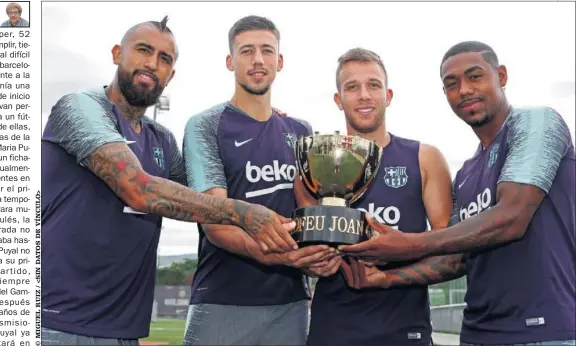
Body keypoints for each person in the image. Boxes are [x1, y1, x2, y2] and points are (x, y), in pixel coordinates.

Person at [41, 17, 297, 346]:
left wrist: (262, 126)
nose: (152, 63)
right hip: (53, 322)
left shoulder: (162, 140)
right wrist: (243, 213)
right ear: (118, 53)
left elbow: (206, 193)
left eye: (165, 59)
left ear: (171, 74)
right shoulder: (80, 107)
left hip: (120, 331)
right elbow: (140, 190)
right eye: (143, 50)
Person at [339, 41, 576, 346]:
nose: (463, 89)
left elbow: (512, 218)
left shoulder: (537, 122)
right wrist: (385, 279)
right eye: (452, 84)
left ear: (501, 76)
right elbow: (454, 260)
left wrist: (408, 244)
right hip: (477, 334)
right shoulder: (465, 174)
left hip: (541, 330)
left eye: (475, 76)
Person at [181, 15, 340, 346]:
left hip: (291, 303)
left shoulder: (301, 131)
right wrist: (282, 256)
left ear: (279, 61)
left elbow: (309, 215)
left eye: (267, 51)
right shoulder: (205, 125)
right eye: (246, 51)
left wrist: (321, 254)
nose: (257, 60)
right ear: (230, 61)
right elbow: (214, 219)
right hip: (223, 300)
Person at [305, 48, 453, 346]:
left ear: (388, 95)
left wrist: (397, 253)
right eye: (352, 87)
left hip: (405, 330)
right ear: (338, 99)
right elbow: (308, 251)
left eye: (373, 85)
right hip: (333, 331)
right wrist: (313, 262)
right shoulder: (314, 164)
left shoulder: (425, 158)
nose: (363, 95)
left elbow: (449, 252)